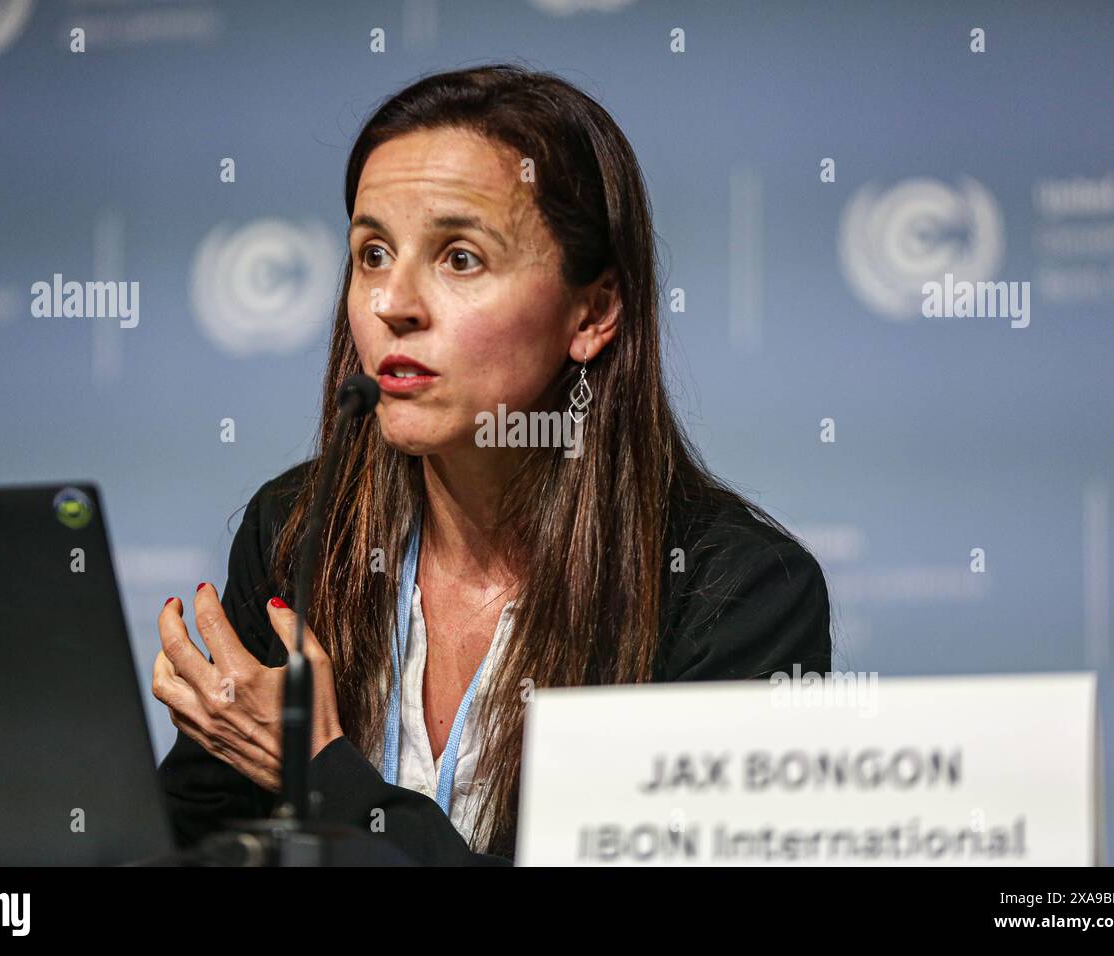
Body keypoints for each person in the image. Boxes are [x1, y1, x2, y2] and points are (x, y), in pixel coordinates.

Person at [153, 63, 832, 866]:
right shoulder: (301, 531)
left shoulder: (737, 593)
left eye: (460, 258)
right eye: (373, 253)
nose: (391, 303)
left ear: (593, 313)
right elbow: (187, 839)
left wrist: (324, 775)